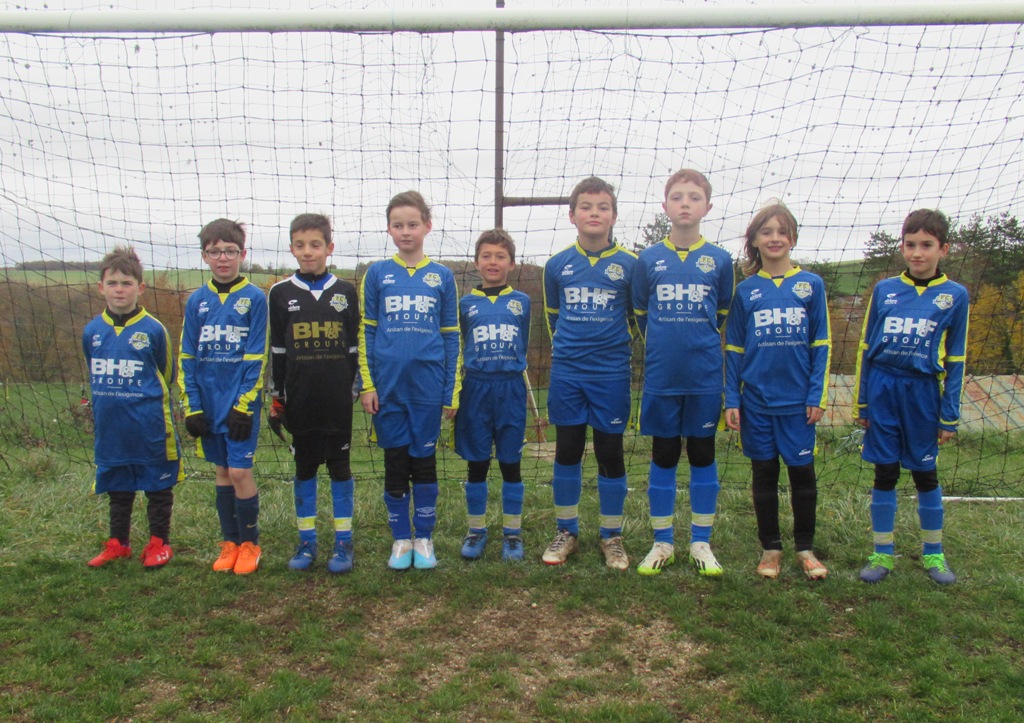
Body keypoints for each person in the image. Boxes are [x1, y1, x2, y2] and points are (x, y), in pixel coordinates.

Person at [855, 209, 968, 585]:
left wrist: (949, 414)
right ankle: (881, 552)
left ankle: (934, 553)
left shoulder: (955, 296)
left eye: (927, 245)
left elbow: (956, 359)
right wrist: (863, 402)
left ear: (943, 249)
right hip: (884, 389)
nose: (917, 252)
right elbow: (866, 348)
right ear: (902, 247)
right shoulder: (885, 290)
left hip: (922, 394)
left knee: (925, 473)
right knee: (885, 472)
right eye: (910, 244)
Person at [631, 169, 734, 576]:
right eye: (677, 197)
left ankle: (701, 542)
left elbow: (721, 311)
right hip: (662, 376)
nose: (685, 203)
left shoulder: (720, 260)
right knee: (664, 454)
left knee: (703, 454)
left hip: (704, 376)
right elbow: (641, 312)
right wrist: (664, 343)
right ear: (665, 205)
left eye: (694, 197)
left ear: (707, 206)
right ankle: (662, 542)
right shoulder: (648, 259)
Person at [724, 201, 831, 580]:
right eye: (766, 232)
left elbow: (821, 344)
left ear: (793, 238)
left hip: (798, 404)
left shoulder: (811, 285)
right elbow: (734, 348)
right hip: (756, 402)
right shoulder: (745, 291)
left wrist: (816, 395)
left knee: (803, 476)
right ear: (754, 240)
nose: (774, 238)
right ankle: (770, 549)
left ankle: (805, 549)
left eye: (782, 231)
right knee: (764, 475)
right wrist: (732, 398)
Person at [358, 191, 460, 570]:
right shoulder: (377, 274)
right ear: (389, 229)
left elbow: (451, 336)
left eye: (412, 224)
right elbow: (367, 332)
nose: (405, 231)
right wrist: (368, 384)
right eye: (397, 225)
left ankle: (424, 538)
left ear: (427, 227)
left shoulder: (442, 276)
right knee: (396, 463)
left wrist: (451, 391)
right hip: (388, 390)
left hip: (428, 389)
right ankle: (401, 538)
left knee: (424, 464)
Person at [541, 176, 638, 570]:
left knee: (609, 451)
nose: (594, 213)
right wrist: (574, 351)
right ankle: (566, 531)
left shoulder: (631, 265)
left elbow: (636, 319)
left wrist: (609, 348)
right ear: (572, 215)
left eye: (602, 207)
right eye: (586, 206)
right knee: (567, 449)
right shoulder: (557, 265)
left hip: (611, 374)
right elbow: (553, 318)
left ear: (613, 215)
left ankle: (611, 536)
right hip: (568, 373)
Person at [268, 214, 360, 574]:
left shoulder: (345, 292)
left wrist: (353, 388)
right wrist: (278, 396)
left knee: (340, 468)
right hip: (300, 399)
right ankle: (306, 542)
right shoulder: (280, 293)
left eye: (315, 244)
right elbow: (278, 351)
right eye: (300, 245)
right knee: (304, 468)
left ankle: (343, 542)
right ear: (292, 248)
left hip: (337, 400)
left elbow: (353, 348)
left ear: (329, 248)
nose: (308, 252)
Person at [179, 219, 269, 575]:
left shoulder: (254, 298)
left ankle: (250, 544)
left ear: (242, 254)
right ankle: (230, 542)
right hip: (208, 401)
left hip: (239, 404)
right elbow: (187, 355)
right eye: (215, 252)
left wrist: (244, 405)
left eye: (230, 251)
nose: (223, 258)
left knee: (239, 471)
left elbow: (257, 355)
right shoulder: (196, 301)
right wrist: (192, 406)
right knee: (221, 471)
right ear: (204, 256)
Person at [83, 246, 181, 568]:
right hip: (112, 428)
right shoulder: (92, 331)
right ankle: (119, 542)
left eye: (127, 283)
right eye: (112, 283)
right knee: (118, 485)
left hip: (149, 425)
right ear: (101, 288)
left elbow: (167, 374)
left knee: (157, 485)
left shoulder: (153, 329)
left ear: (140, 288)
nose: (119, 290)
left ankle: (159, 542)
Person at [454, 229, 532, 562]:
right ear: (476, 262)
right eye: (486, 255)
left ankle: (512, 534)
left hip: (510, 388)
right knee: (477, 463)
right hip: (476, 387)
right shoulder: (465, 303)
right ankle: (476, 531)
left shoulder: (522, 302)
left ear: (511, 263)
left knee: (511, 462)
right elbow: (460, 343)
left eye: (500, 256)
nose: (493, 261)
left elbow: (523, 341)